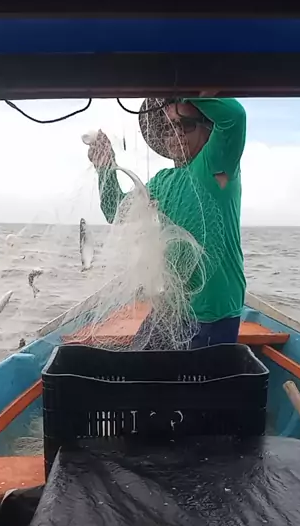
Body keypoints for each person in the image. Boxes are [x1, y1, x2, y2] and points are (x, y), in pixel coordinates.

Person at [87, 96, 246, 348]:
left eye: (186, 124)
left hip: (213, 313)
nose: (175, 133)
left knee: (199, 375)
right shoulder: (162, 181)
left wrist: (182, 88)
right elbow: (116, 211)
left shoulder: (217, 163)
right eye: (169, 127)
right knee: (139, 365)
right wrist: (106, 166)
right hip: (170, 307)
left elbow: (234, 116)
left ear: (208, 128)